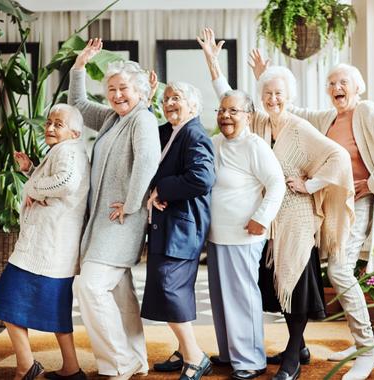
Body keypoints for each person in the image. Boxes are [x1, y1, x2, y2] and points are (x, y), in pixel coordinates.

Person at [198, 28, 355, 380]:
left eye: (278, 93)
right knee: (274, 285)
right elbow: (228, 100)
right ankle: (296, 346)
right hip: (268, 219)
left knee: (295, 284)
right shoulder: (257, 123)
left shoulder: (299, 127)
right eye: (267, 93)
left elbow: (337, 156)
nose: (272, 99)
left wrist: (309, 183)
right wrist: (212, 62)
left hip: (296, 217)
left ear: (289, 96)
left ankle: (293, 359)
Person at [249, 51, 374, 380]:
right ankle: (353, 341)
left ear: (357, 87)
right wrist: (267, 76)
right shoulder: (326, 119)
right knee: (331, 270)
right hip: (329, 204)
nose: (337, 87)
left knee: (339, 271)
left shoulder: (364, 110)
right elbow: (286, 109)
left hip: (357, 202)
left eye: (343, 82)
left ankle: (368, 349)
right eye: (331, 83)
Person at [68, 38, 161, 379]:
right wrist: (79, 66)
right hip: (105, 221)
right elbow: (77, 103)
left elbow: (148, 160)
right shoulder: (111, 118)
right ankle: (136, 358)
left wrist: (132, 203)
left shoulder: (142, 120)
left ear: (139, 91)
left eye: (123, 88)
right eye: (111, 89)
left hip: (120, 221)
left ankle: (117, 362)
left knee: (90, 286)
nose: (117, 94)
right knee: (120, 294)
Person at [0, 104, 90, 380]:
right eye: (49, 122)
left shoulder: (69, 150)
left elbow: (67, 182)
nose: (51, 127)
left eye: (59, 124)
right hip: (53, 248)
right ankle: (71, 368)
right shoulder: (67, 151)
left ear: (75, 132)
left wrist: (32, 187)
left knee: (6, 301)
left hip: (45, 248)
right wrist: (30, 169)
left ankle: (26, 365)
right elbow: (59, 183)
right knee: (57, 310)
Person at [205, 88, 286, 380]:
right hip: (216, 234)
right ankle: (229, 352)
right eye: (221, 110)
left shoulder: (255, 146)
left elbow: (277, 184)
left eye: (233, 111)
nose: (225, 116)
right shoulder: (213, 143)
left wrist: (261, 219)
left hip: (244, 233)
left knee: (241, 297)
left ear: (248, 116)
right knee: (220, 297)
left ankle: (251, 359)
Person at [141, 80, 216, 380]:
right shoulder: (168, 132)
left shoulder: (196, 135)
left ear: (193, 106)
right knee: (165, 289)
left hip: (183, 226)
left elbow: (202, 178)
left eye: (178, 98)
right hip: (165, 226)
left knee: (171, 288)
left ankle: (196, 357)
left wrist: (162, 189)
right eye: (167, 98)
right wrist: (146, 100)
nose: (170, 102)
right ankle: (185, 349)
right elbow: (144, 143)